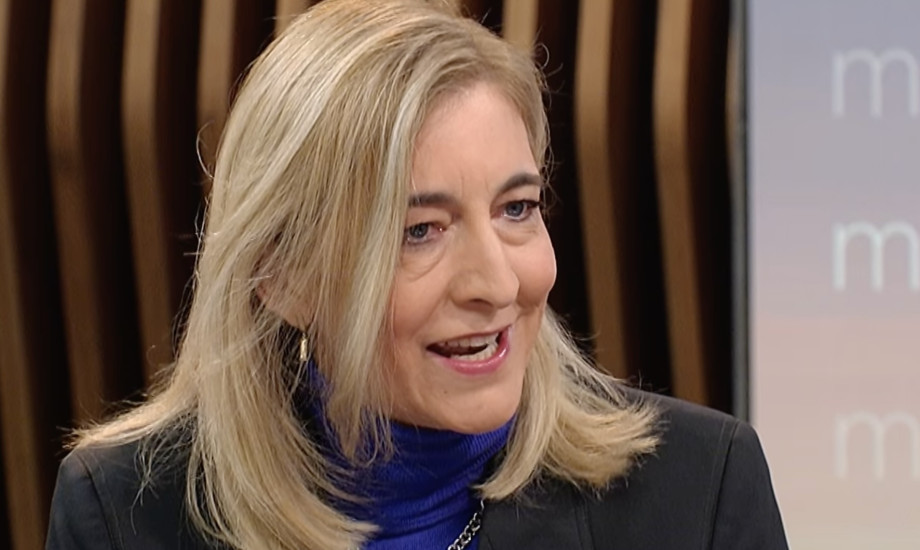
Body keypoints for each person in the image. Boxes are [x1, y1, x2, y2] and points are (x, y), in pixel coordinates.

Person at [45, 1, 788, 549]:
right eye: (420, 231)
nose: (497, 284)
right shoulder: (124, 516)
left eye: (517, 209)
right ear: (282, 275)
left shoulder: (699, 493)